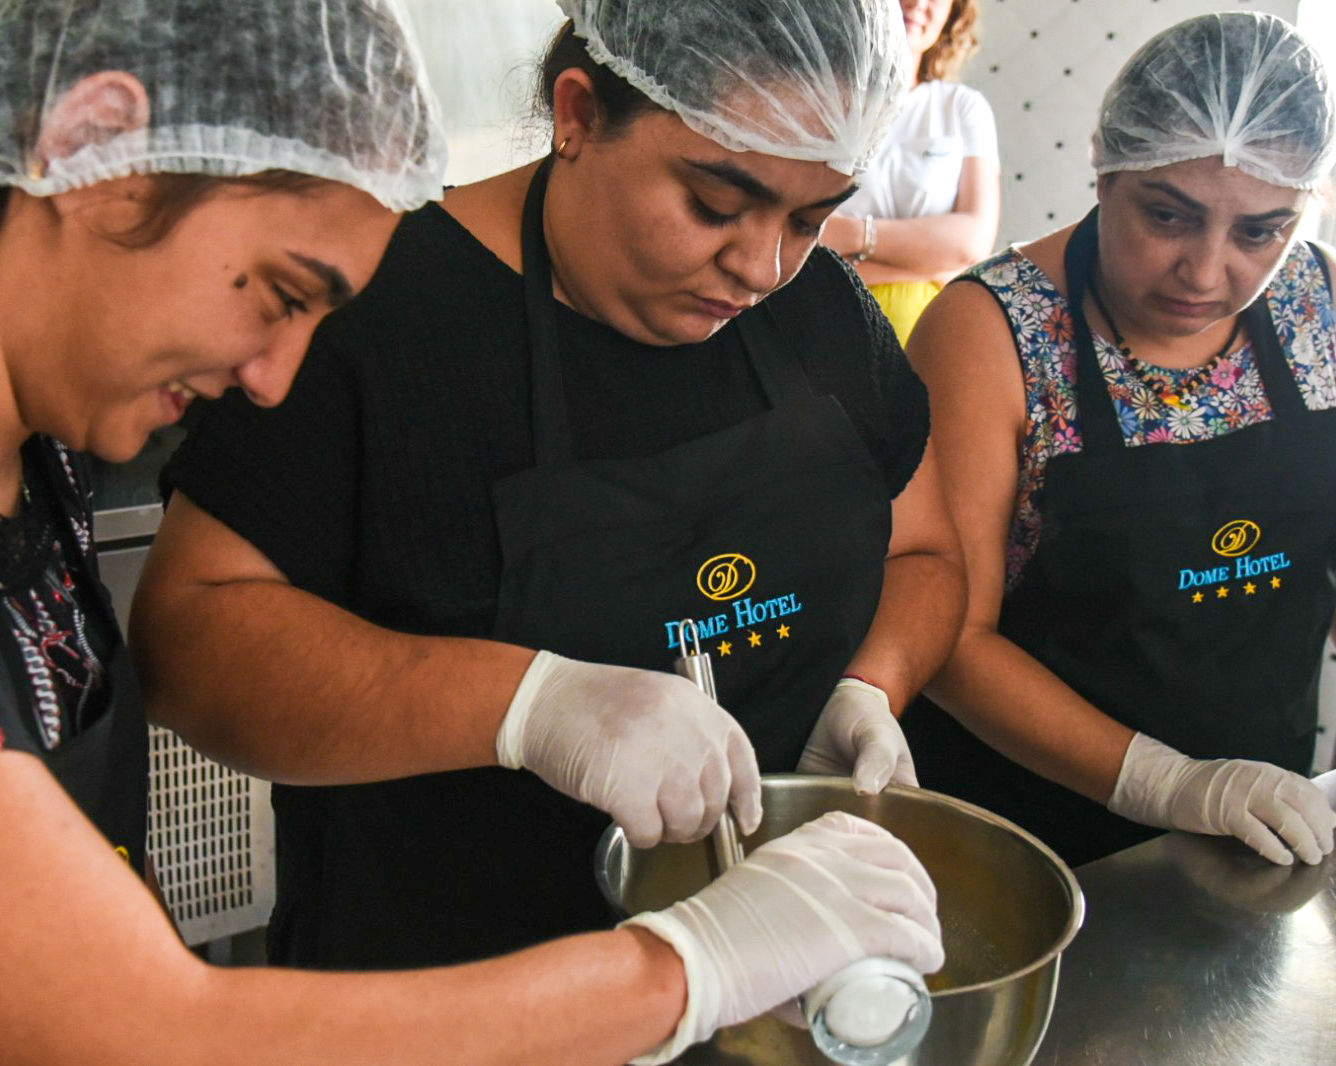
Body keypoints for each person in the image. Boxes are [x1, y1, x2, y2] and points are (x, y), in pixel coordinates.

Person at [0, 1, 945, 1063]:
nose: (274, 379)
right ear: (91, 154)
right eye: (279, 292)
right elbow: (134, 1029)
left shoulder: (5, 457)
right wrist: (687, 970)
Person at [134, 0, 965, 971]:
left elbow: (924, 547)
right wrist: (531, 706)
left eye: (810, 216)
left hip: (779, 972)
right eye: (713, 204)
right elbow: (186, 640)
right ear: (576, 115)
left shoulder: (820, 308)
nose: (760, 265)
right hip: (448, 983)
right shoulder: (380, 310)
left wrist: (870, 684)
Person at [904, 11, 1336, 869]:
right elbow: (953, 638)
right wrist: (1171, 784)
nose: (1207, 270)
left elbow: (1329, 549)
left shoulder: (1319, 297)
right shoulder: (991, 330)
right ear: (1107, 168)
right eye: (1168, 215)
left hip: (1262, 832)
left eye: (1260, 230)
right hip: (1038, 848)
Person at [819, 0, 999, 343]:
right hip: (811, 319)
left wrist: (851, 237)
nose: (918, 3)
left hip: (924, 340)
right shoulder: (818, 100)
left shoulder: (962, 108)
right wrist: (932, 264)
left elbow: (973, 241)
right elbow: (794, 241)